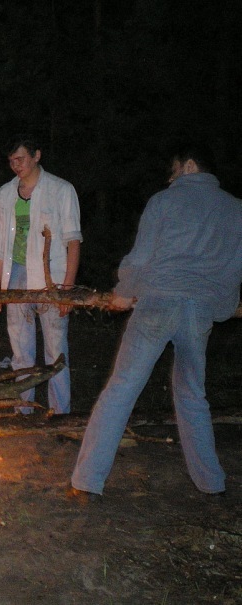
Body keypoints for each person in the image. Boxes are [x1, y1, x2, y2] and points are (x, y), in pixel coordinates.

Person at [70, 142, 242, 499]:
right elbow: (233, 268)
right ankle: (212, 483)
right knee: (193, 394)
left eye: (174, 170)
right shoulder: (236, 209)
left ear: (189, 165)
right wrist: (222, 308)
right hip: (199, 311)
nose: (171, 178)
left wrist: (123, 290)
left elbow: (142, 255)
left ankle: (87, 480)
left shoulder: (165, 200)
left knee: (122, 388)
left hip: (158, 303)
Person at [0, 135, 82, 415]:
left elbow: (73, 241)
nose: (15, 166)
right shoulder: (5, 194)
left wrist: (67, 288)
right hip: (16, 275)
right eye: (11, 161)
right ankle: (23, 409)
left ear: (36, 156)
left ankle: (59, 413)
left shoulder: (61, 190)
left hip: (51, 277)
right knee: (20, 349)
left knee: (56, 350)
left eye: (20, 159)